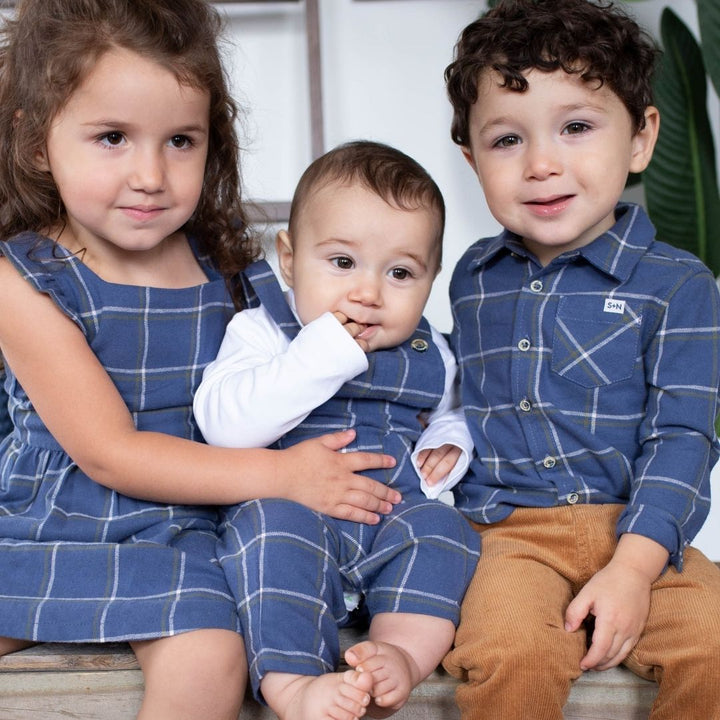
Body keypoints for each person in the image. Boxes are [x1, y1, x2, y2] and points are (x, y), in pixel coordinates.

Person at [0, 3, 400, 719]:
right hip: (47, 522)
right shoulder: (24, 278)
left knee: (214, 654)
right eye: (113, 137)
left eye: (180, 140)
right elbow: (109, 455)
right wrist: (285, 475)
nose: (151, 174)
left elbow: (292, 377)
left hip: (184, 530)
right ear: (36, 143)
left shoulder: (227, 267)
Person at [440, 0, 720, 718]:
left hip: (644, 540)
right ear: (471, 160)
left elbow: (684, 438)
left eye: (576, 127)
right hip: (507, 539)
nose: (540, 164)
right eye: (506, 140)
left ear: (640, 138)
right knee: (512, 654)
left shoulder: (680, 284)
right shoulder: (472, 275)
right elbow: (444, 389)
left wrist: (632, 567)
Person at [193, 140, 481, 720]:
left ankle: (398, 654)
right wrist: (320, 353)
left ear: (430, 282)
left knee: (446, 530)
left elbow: (452, 409)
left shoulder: (433, 351)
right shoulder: (264, 330)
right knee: (268, 534)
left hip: (387, 517)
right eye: (343, 263)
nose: (368, 293)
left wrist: (449, 441)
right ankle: (293, 684)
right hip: (292, 517)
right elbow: (223, 422)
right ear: (291, 260)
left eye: (400, 272)